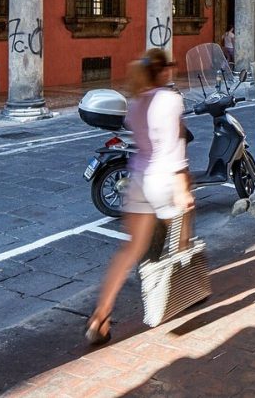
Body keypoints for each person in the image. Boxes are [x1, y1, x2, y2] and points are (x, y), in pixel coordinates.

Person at [85, 48, 194, 343]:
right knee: (181, 243)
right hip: (163, 180)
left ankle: (101, 315)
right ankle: (179, 291)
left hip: (138, 180)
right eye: (168, 66)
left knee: (130, 251)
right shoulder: (171, 100)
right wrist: (183, 186)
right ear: (163, 71)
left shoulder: (135, 101)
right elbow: (173, 148)